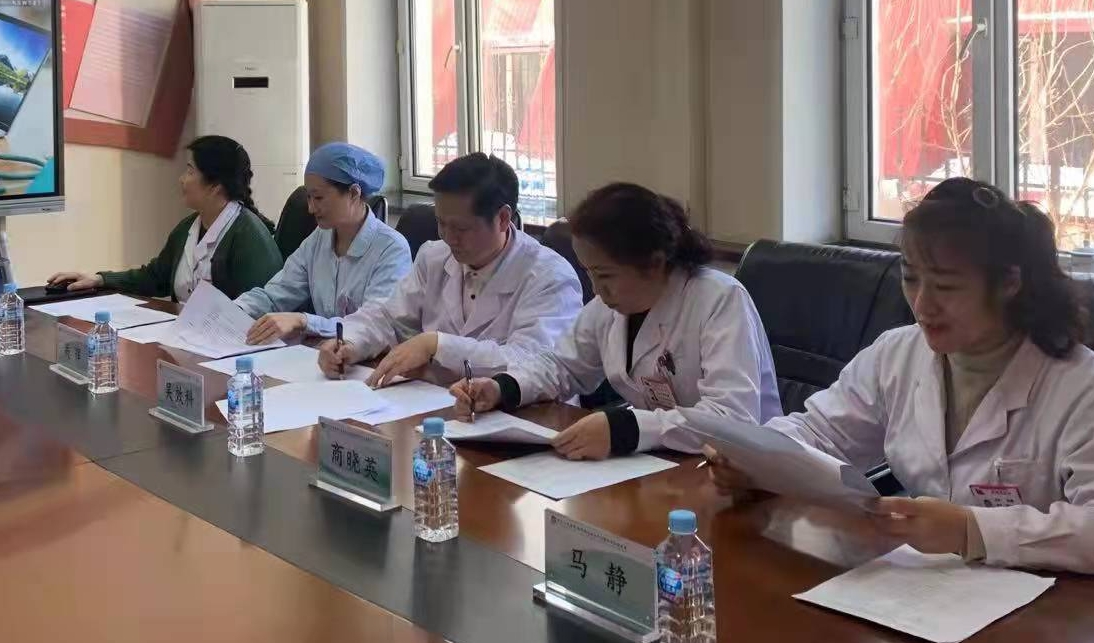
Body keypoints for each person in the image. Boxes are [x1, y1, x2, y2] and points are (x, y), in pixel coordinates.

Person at [708, 177, 1094, 591]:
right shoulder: (898, 353)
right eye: (911, 278)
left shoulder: (1088, 390)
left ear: (1009, 283)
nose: (922, 304)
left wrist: (972, 530)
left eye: (946, 287)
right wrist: (755, 459)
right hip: (944, 595)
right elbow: (821, 433)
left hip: (1074, 614)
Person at [453, 182, 781, 460]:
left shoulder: (718, 300)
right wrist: (502, 387)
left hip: (740, 474)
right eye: (590, 274)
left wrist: (627, 428)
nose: (596, 290)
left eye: (606, 275)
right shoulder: (611, 306)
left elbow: (733, 418)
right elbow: (563, 366)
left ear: (654, 263)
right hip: (658, 462)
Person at [318, 153, 583, 386]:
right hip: (439, 401)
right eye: (441, 223)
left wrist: (437, 345)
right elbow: (388, 318)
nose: (448, 237)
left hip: (527, 415)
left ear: (503, 218)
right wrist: (350, 342)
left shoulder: (549, 276)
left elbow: (531, 361)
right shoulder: (434, 256)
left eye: (461, 228)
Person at [46, 135, 281, 302]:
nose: (182, 179)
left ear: (215, 186)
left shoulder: (249, 237)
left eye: (190, 171)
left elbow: (259, 309)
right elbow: (155, 278)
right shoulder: (188, 227)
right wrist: (99, 279)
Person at [237, 143, 413, 344]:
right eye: (309, 197)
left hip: (369, 358)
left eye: (319, 198)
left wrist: (304, 321)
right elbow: (275, 295)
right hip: (322, 353)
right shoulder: (319, 238)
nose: (311, 208)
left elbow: (372, 325)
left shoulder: (392, 249)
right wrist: (231, 310)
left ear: (354, 193)